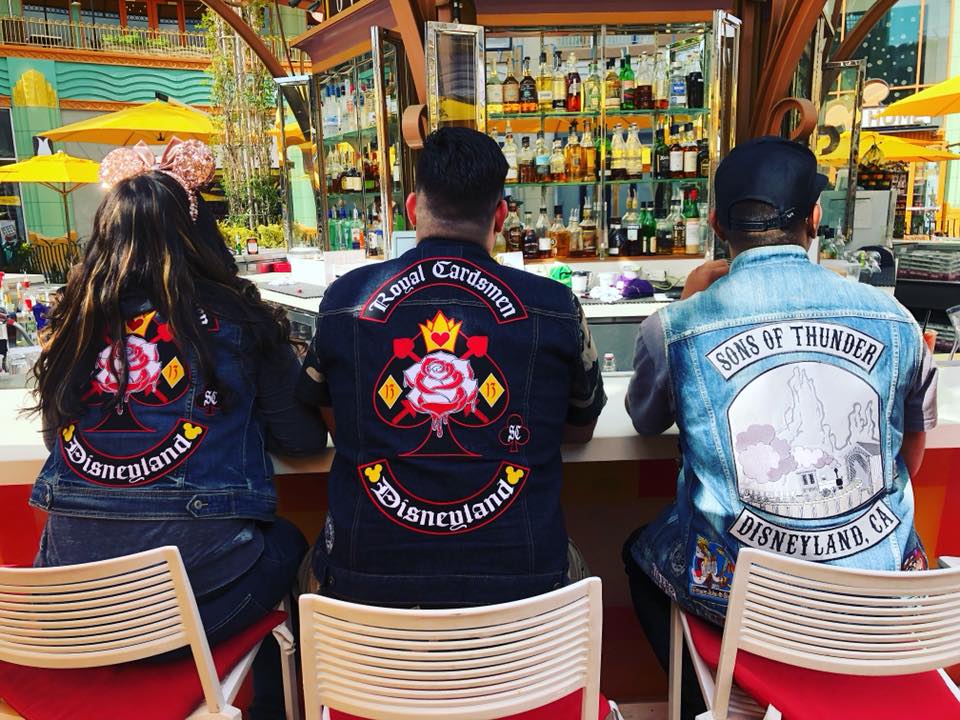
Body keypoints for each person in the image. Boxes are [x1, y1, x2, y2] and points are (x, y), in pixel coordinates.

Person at [622, 136, 938, 717]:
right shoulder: (897, 320)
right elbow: (909, 460)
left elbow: (644, 421)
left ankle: (713, 705)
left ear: (717, 224)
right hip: (881, 602)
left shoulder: (677, 325)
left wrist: (686, 300)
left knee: (642, 551)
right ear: (815, 217)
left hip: (752, 607)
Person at [29, 139, 327, 720]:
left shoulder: (74, 326)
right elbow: (302, 440)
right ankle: (272, 709)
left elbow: (53, 440)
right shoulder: (240, 321)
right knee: (289, 543)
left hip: (72, 613)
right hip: (195, 610)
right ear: (199, 234)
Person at [297, 127, 606, 607]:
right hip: (525, 601)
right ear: (501, 214)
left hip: (364, 597)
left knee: (301, 570)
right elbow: (581, 429)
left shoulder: (345, 300)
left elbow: (330, 413)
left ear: (412, 209)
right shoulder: (556, 306)